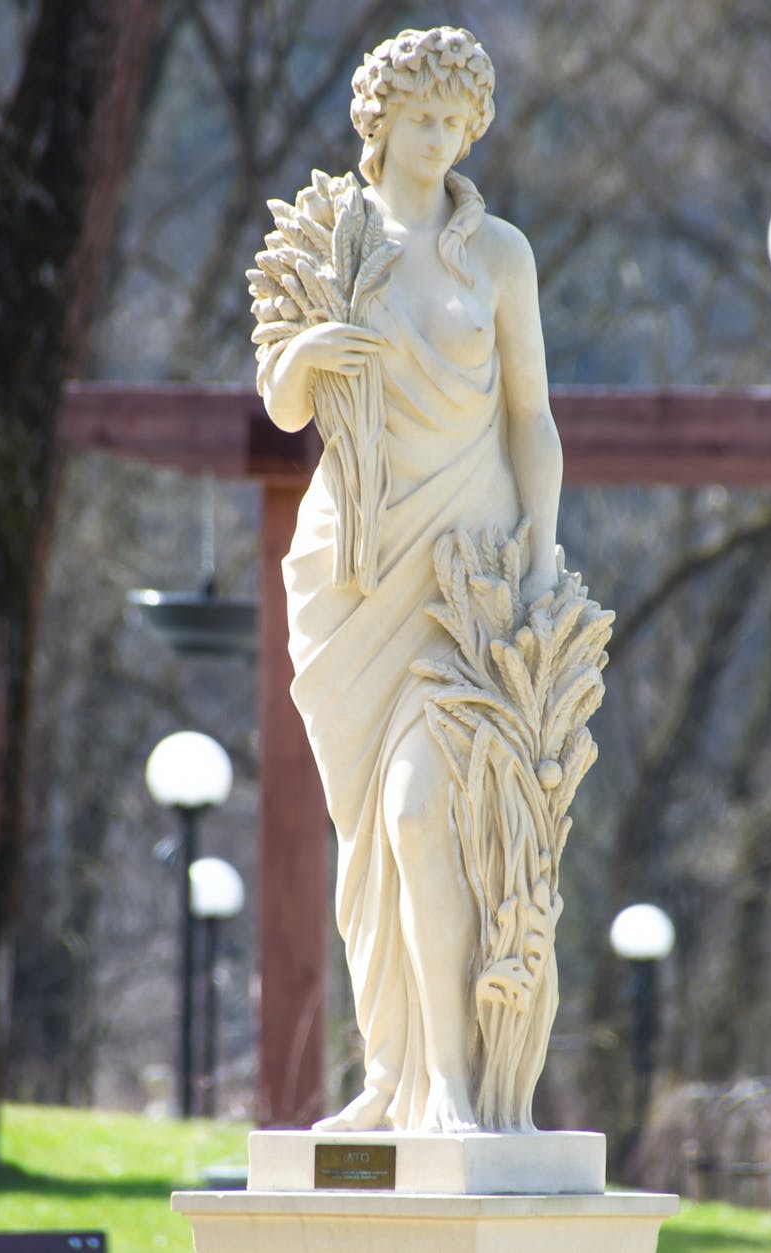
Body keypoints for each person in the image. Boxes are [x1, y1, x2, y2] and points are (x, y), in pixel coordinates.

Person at [253, 26, 564, 1133]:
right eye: (417, 119)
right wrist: (306, 355)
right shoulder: (328, 235)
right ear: (376, 123)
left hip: (464, 575)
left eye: (453, 123)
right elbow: (282, 404)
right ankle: (388, 1079)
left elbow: (530, 417)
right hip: (353, 570)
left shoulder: (500, 256)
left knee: (423, 809)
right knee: (368, 843)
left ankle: (452, 1087)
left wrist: (541, 550)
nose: (434, 140)